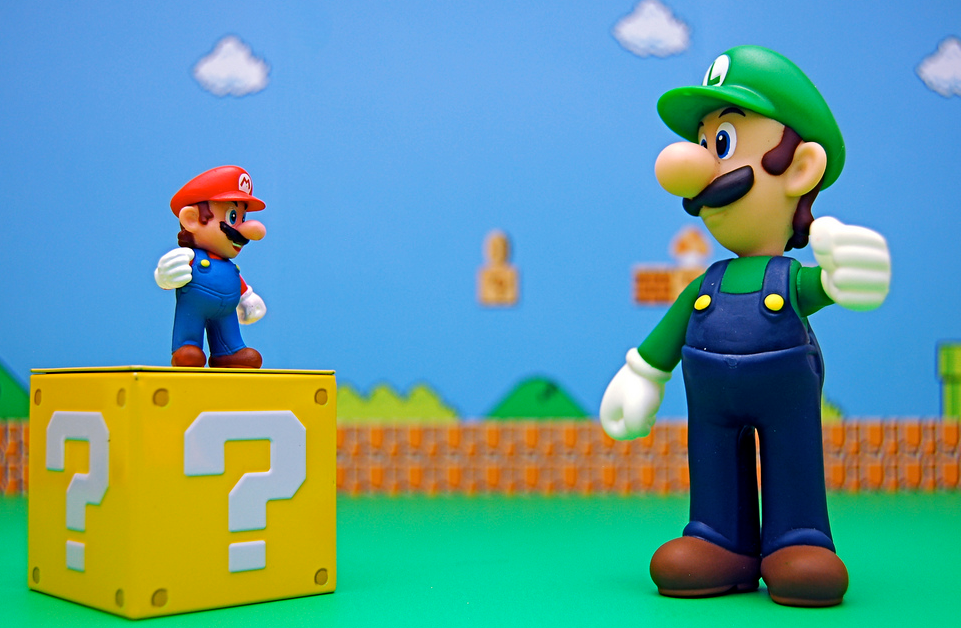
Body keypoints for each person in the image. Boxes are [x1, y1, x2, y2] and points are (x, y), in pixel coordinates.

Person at [599, 46, 891, 607]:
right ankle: (718, 539)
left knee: (792, 456)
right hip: (711, 403)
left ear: (800, 168)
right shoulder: (706, 283)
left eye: (723, 143)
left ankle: (799, 539)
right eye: (704, 144)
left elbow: (829, 285)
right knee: (711, 458)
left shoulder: (789, 279)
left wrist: (848, 277)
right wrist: (642, 374)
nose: (698, 168)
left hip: (785, 397)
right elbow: (670, 333)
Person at [154, 165, 268, 368]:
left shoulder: (228, 266)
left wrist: (247, 298)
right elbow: (167, 275)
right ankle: (187, 347)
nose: (244, 230)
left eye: (242, 218)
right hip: (194, 308)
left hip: (227, 312)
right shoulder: (190, 258)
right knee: (189, 333)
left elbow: (238, 283)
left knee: (229, 332)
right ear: (192, 219)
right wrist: (166, 274)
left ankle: (229, 352)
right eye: (232, 217)